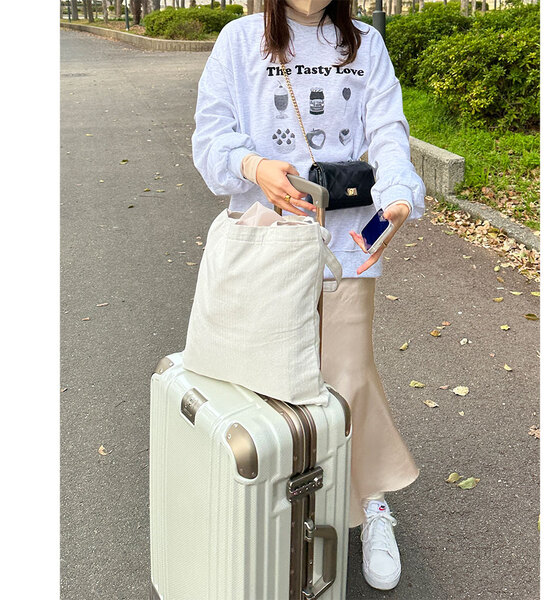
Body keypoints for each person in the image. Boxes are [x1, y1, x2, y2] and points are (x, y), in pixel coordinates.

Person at [190, 0, 426, 591]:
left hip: (348, 246)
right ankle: (283, 507)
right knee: (269, 382)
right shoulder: (240, 40)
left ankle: (369, 500)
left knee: (346, 376)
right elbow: (210, 138)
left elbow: (388, 131)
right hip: (266, 245)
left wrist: (398, 192)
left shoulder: (364, 42)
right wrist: (254, 166)